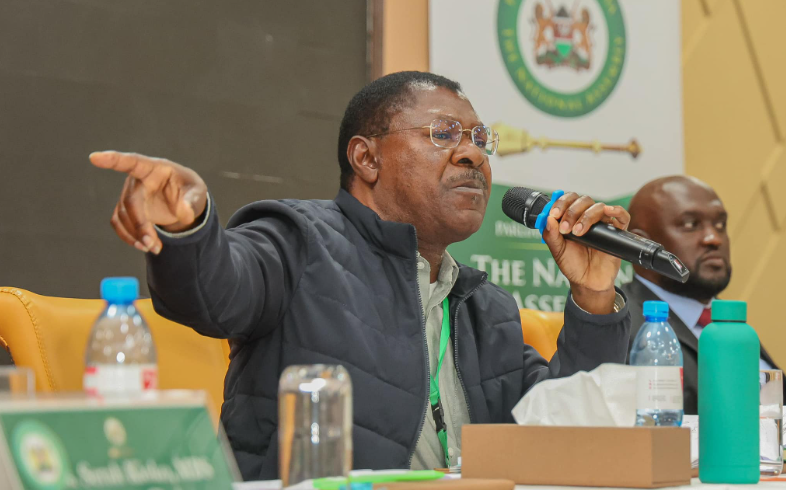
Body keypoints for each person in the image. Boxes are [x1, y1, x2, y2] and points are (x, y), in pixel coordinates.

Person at [90, 71, 631, 481]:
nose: (472, 155)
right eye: (444, 134)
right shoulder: (297, 240)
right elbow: (212, 293)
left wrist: (593, 296)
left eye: (480, 139)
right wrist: (189, 229)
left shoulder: (484, 304)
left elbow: (562, 433)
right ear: (366, 159)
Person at [623, 175, 781, 415]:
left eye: (720, 224)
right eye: (690, 224)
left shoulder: (730, 326)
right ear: (641, 245)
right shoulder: (619, 323)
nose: (714, 239)